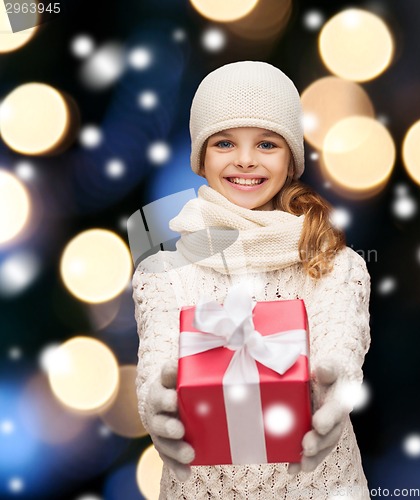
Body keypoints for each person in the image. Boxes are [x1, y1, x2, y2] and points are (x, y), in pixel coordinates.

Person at [132, 60, 372, 499]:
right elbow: (157, 361)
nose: (246, 160)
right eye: (225, 142)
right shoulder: (163, 274)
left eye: (266, 143)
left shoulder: (335, 264)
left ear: (291, 159)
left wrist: (337, 385)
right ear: (201, 158)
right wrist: (156, 404)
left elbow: (341, 341)